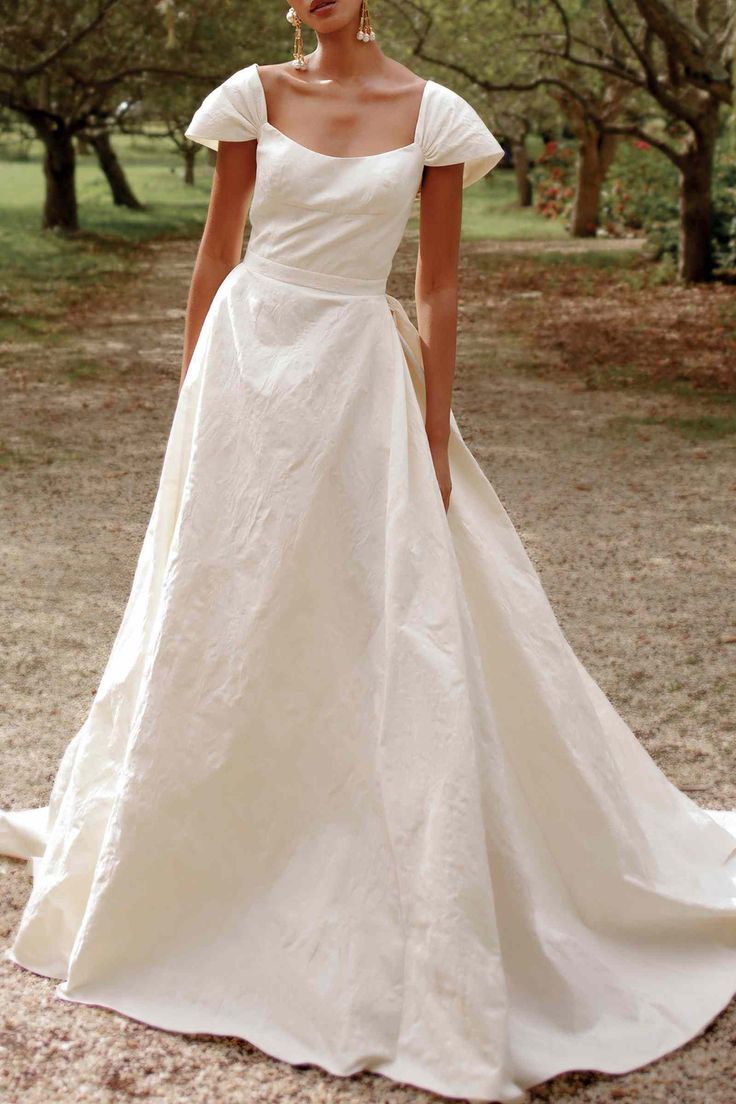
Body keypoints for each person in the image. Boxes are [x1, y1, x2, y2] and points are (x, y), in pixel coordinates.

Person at [1, 3, 735, 1102]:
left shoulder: (434, 115)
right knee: (226, 607)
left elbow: (435, 287)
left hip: (356, 374)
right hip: (249, 371)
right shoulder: (251, 95)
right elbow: (218, 254)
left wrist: (430, 435)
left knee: (382, 619)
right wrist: (191, 401)